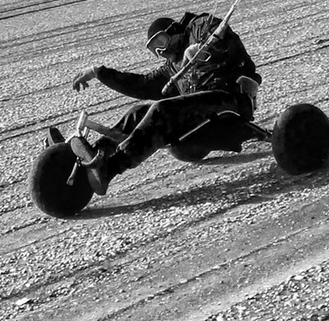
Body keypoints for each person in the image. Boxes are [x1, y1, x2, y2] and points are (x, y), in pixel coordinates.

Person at [64, 11, 261, 194]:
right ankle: (92, 157)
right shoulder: (172, 68)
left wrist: (199, 48)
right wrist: (99, 72)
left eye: (161, 41)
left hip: (229, 100)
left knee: (162, 109)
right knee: (137, 112)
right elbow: (142, 85)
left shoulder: (199, 26)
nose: (161, 50)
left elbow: (220, 36)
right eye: (154, 49)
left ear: (174, 30)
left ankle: (111, 167)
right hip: (198, 119)